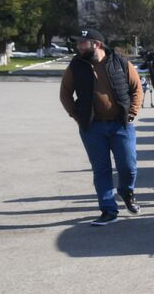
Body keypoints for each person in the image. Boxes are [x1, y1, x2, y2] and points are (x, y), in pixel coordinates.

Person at [59, 27, 142, 226]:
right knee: (101, 170)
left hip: (121, 125)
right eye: (77, 42)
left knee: (128, 167)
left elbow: (136, 88)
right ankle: (108, 210)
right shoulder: (76, 66)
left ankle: (127, 192)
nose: (78, 46)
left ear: (96, 44)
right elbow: (65, 93)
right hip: (92, 128)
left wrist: (132, 113)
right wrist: (76, 116)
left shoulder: (120, 62)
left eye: (82, 42)